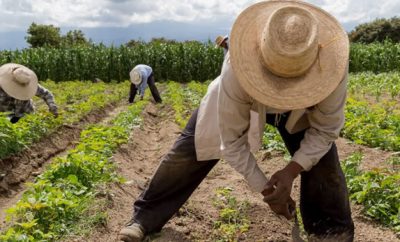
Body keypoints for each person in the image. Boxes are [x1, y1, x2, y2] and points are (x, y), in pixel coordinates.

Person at [119, 1, 354, 241]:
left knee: (323, 162)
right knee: (189, 152)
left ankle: (331, 232)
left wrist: (291, 171)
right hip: (247, 101)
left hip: (301, 112)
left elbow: (325, 130)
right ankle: (144, 219)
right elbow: (231, 141)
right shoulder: (237, 67)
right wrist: (267, 189)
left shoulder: (333, 66)